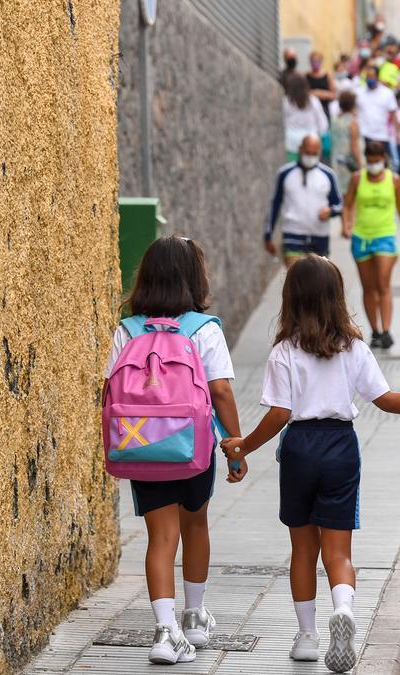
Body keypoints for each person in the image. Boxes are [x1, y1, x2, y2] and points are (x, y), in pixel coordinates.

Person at [220, 255, 400, 672]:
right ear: (336, 298)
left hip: (300, 450)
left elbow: (278, 415)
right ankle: (343, 609)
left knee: (302, 549)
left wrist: (243, 446)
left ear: (291, 299)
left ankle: (307, 637)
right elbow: (384, 399)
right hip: (340, 446)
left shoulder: (283, 353)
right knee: (338, 550)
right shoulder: (354, 348)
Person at [103, 237, 244, 666]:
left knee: (160, 537)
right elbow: (219, 391)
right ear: (193, 278)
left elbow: (110, 390)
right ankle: (195, 618)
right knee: (196, 524)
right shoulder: (204, 329)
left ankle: (166, 632)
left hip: (142, 445)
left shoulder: (126, 329)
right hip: (190, 447)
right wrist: (235, 446)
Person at [341, 142, 400, 349]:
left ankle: (386, 330)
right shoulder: (358, 179)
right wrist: (345, 224)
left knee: (383, 283)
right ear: (366, 159)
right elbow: (347, 204)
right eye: (370, 161)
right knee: (368, 286)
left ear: (384, 159)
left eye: (377, 161)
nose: (374, 165)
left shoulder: (394, 180)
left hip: (385, 237)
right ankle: (374, 330)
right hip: (361, 237)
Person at [265, 135, 343, 265]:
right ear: (300, 149)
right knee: (296, 280)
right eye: (307, 152)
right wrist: (268, 235)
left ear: (319, 152)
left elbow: (339, 205)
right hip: (293, 235)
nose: (310, 157)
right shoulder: (285, 173)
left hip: (320, 238)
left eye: (314, 153)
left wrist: (330, 211)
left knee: (318, 282)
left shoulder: (328, 175)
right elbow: (274, 204)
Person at [356, 65, 399, 168]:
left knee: (385, 165)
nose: (369, 79)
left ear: (377, 77)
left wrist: (395, 133)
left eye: (372, 77)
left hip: (382, 136)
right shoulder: (359, 93)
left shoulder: (387, 93)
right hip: (364, 135)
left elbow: (393, 114)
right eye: (368, 76)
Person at [284, 73, 329, 163]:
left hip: (291, 145)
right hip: (311, 144)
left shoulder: (286, 102)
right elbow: (323, 125)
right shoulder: (314, 101)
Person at [329, 91, 363, 194]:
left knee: (341, 192)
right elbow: (354, 146)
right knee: (351, 194)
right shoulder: (352, 122)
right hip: (349, 163)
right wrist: (361, 164)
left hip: (336, 160)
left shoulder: (334, 120)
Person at [306, 52, 336, 123]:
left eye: (317, 61)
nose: (315, 63)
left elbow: (333, 94)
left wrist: (320, 93)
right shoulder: (306, 76)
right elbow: (305, 93)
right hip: (311, 109)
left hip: (325, 108)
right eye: (313, 61)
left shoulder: (327, 75)